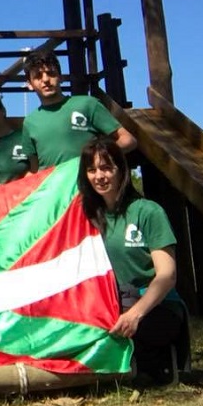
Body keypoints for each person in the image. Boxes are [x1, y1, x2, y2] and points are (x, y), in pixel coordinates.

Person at [78, 138, 187, 385]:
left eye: (107, 168)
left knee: (113, 332)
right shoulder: (86, 217)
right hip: (109, 304)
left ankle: (152, 366)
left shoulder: (148, 211)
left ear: (121, 170)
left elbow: (167, 275)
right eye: (92, 170)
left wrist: (135, 314)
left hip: (154, 307)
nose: (100, 176)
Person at [21, 51, 136, 172]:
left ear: (61, 77)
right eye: (38, 76)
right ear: (29, 84)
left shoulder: (88, 104)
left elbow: (128, 140)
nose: (45, 79)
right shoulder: (30, 122)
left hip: (87, 186)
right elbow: (34, 171)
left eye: (51, 73)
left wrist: (98, 158)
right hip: (52, 189)